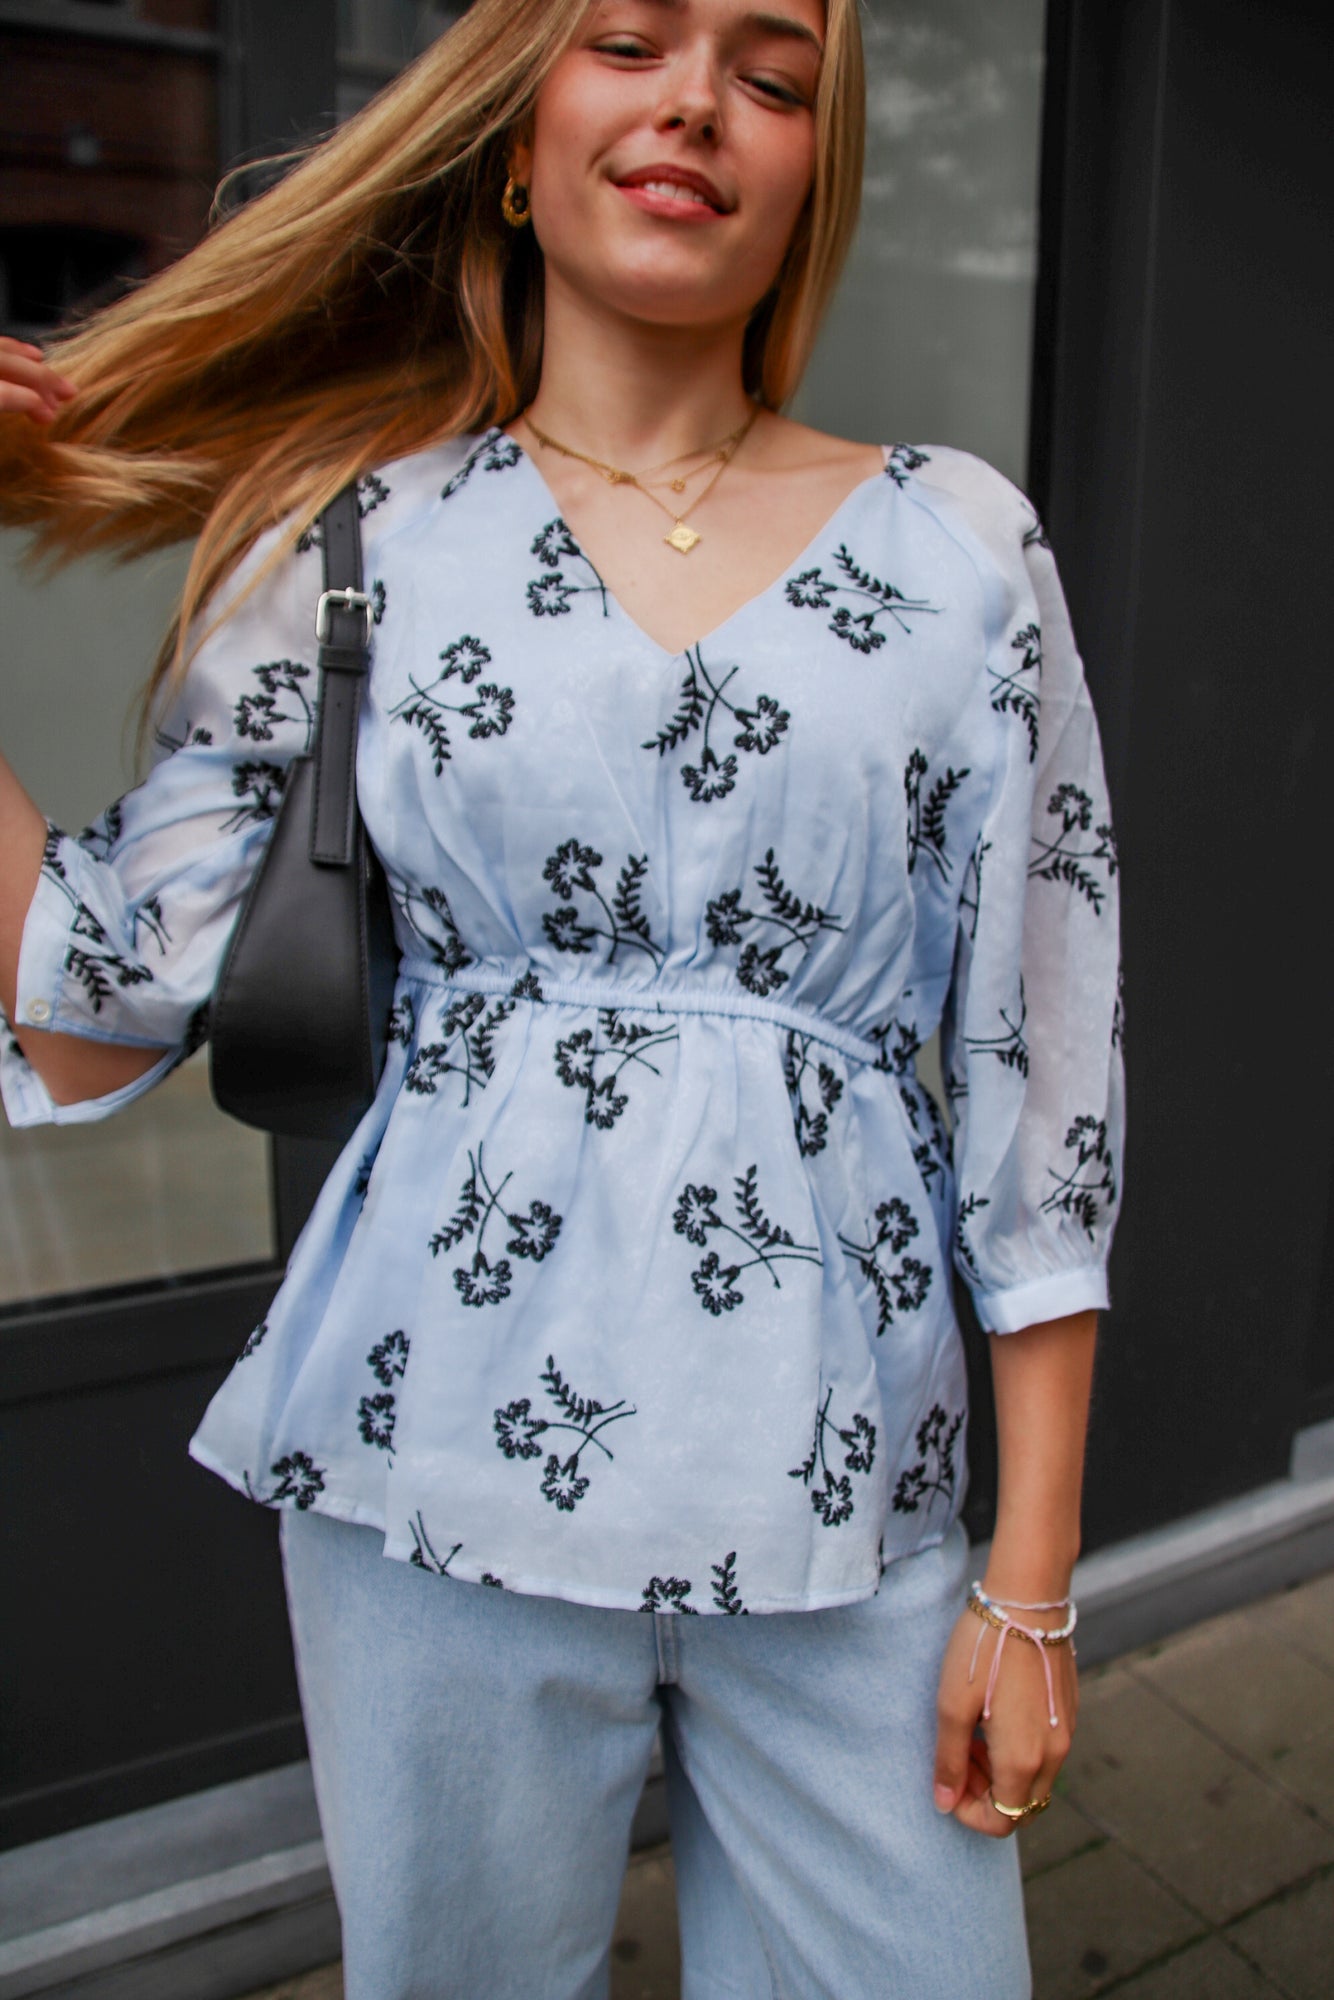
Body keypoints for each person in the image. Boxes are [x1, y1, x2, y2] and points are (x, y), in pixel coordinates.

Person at [0, 0, 1123, 1992]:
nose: (697, 100)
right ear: (515, 145)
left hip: (850, 1489)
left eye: (769, 78)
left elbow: (1045, 1090)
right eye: (627, 42)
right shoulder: (353, 539)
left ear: (808, 181)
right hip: (431, 1468)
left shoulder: (956, 547)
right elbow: (90, 1005)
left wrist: (1028, 1585)